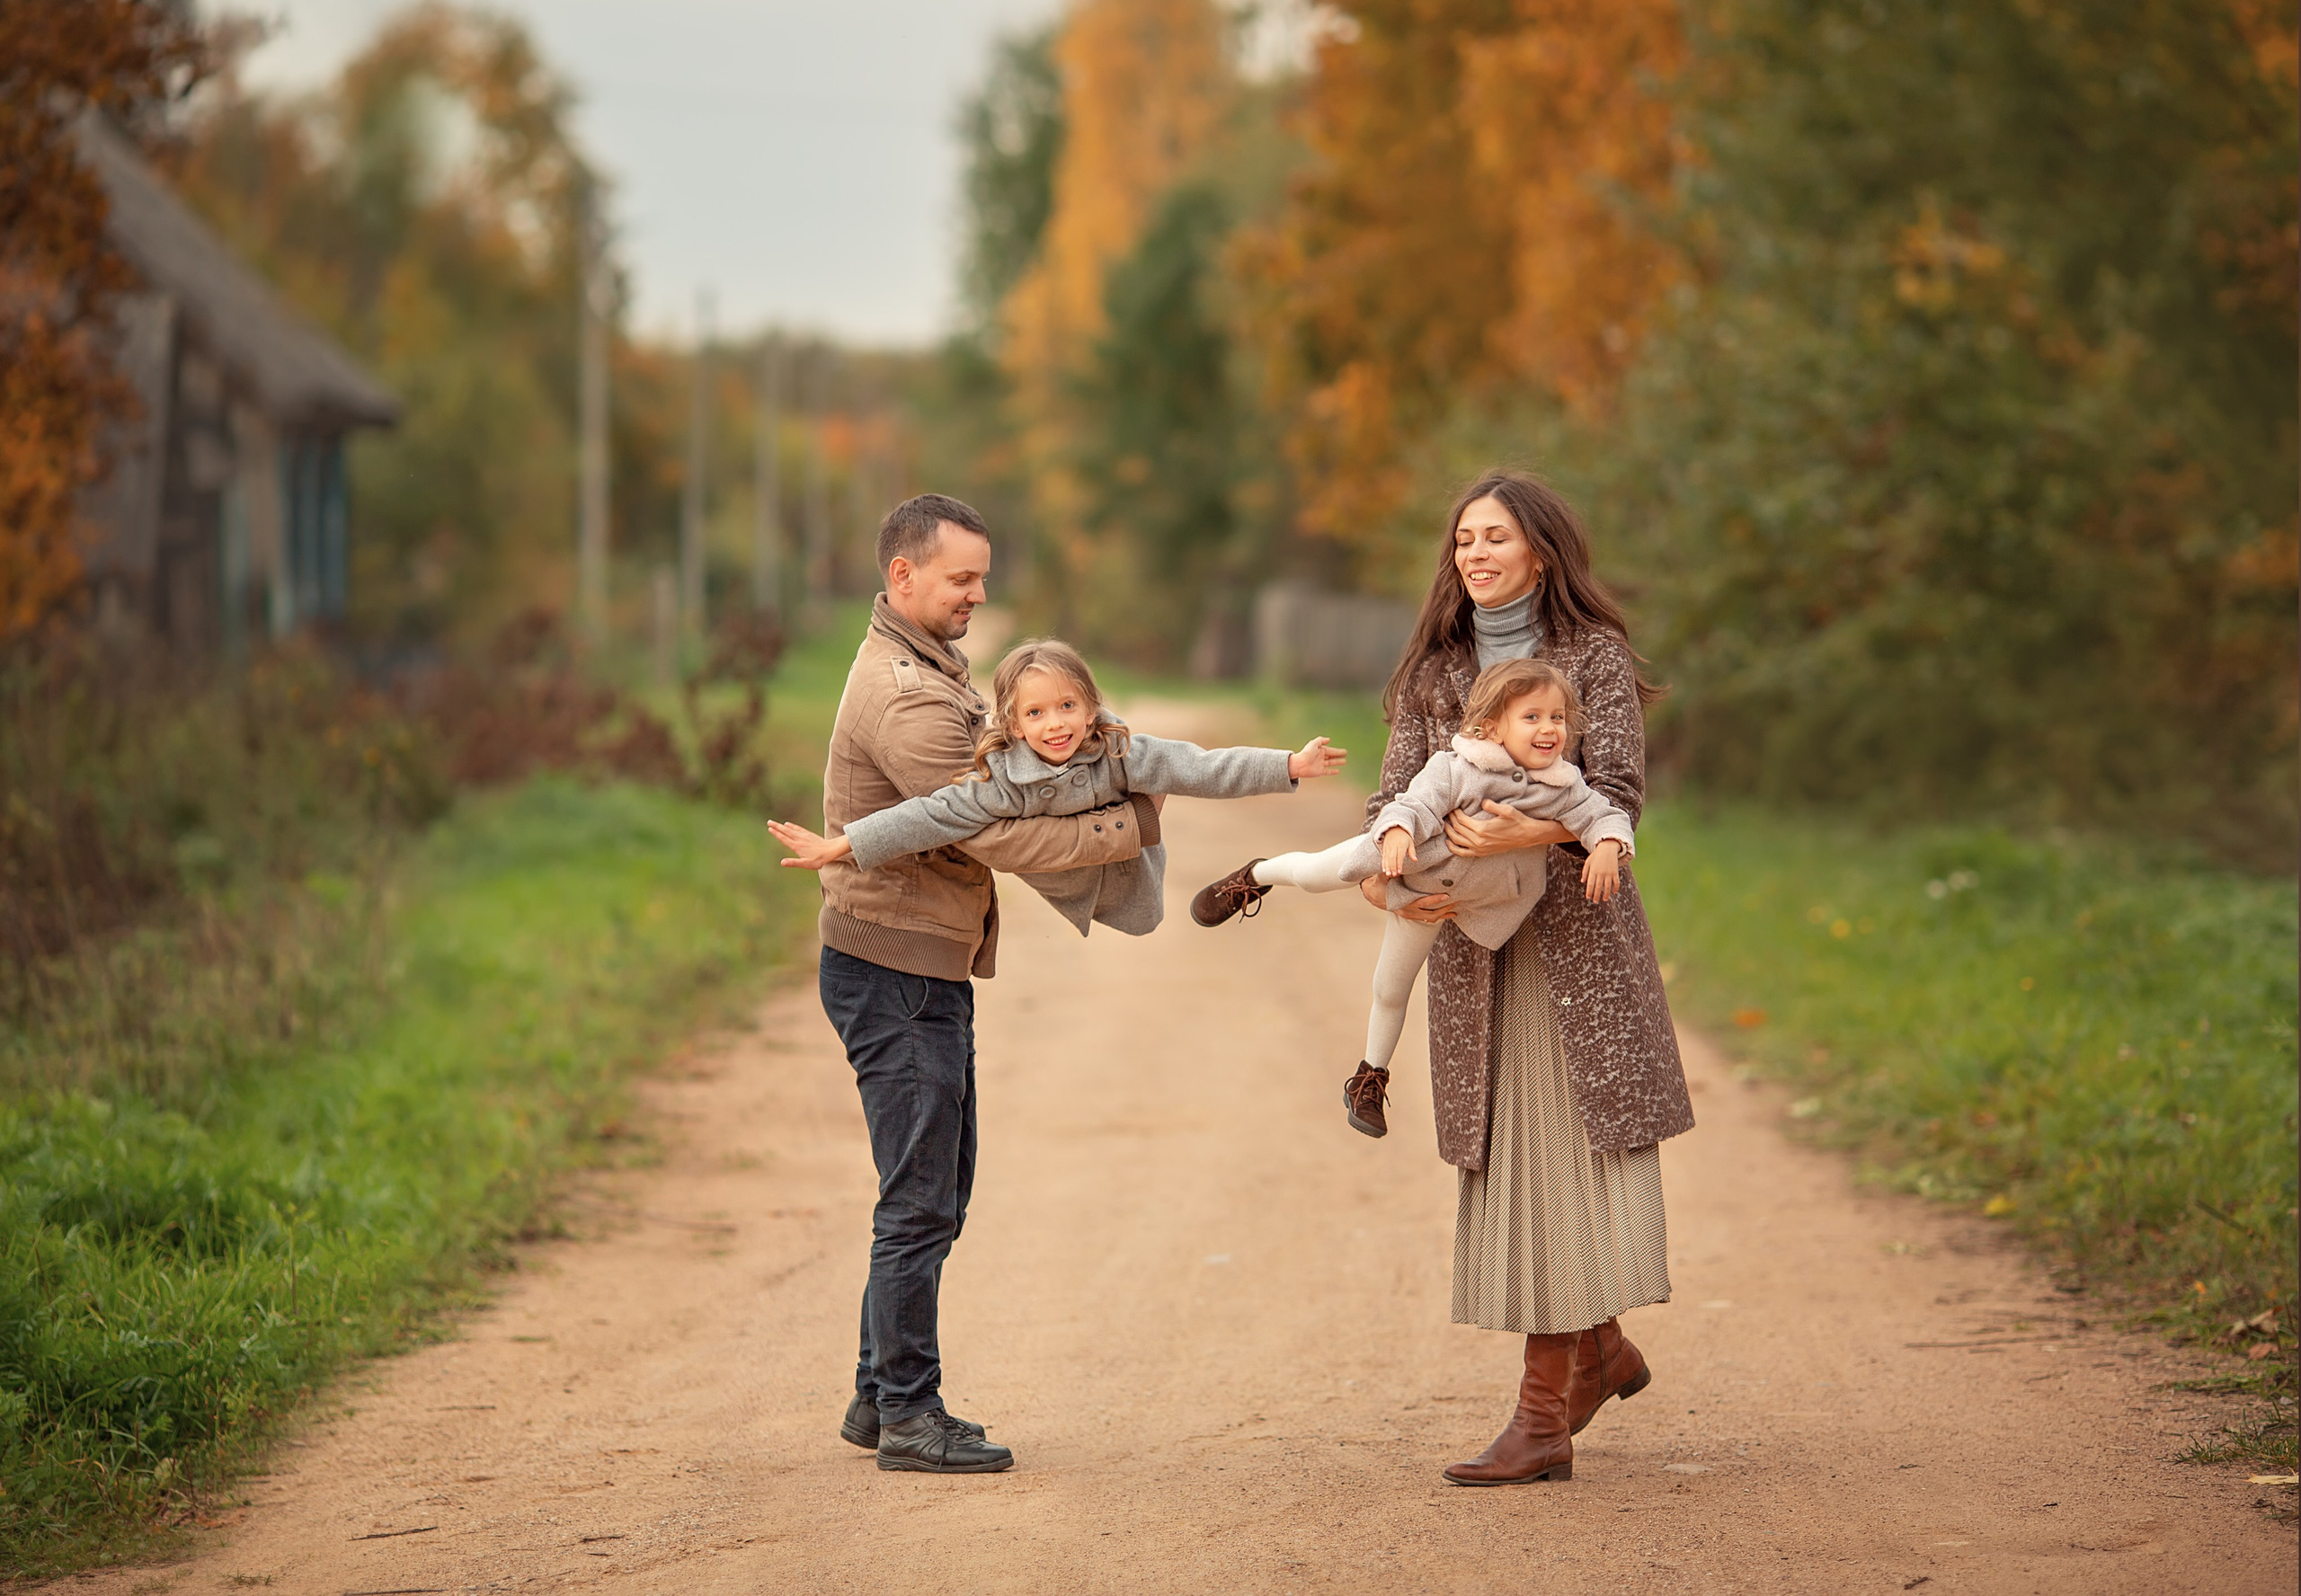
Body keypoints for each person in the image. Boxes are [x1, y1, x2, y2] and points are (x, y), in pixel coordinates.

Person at [1334, 469, 1697, 1485]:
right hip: (1476, 949)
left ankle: (1542, 1419)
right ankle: (1600, 1352)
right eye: (1462, 541)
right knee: (1526, 1158)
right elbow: (1393, 791)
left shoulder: (1595, 657)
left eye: (1494, 537)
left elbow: (1617, 791)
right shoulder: (1434, 670)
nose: (1475, 555)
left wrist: (1540, 826)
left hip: (1577, 945)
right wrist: (1381, 865)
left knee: (1564, 1154)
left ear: (1539, 549)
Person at [805, 494, 1160, 1475]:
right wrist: (1123, 827)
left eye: (981, 576)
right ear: (902, 578)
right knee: (919, 1202)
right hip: (894, 970)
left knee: (934, 1191)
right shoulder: (906, 696)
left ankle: (879, 1396)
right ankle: (911, 1416)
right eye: (961, 577)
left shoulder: (930, 666)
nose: (977, 593)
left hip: (915, 965)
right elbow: (987, 826)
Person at [1189, 657, 1633, 1139]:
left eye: (1558, 718)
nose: (1549, 729)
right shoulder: (1457, 766)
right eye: (1532, 717)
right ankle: (1257, 874)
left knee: (1391, 986)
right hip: (1405, 864)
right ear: (1491, 726)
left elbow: (1605, 815)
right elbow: (1415, 802)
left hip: (1444, 904)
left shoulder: (1564, 786)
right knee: (1317, 874)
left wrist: (1608, 847)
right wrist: (1399, 830)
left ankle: (1369, 1077)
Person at [768, 637, 1347, 932]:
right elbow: (931, 814)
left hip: (1127, 864)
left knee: (1150, 891)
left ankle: (1154, 832)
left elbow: (1201, 766)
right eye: (1038, 714)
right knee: (954, 813)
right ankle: (1134, 823)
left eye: (1068, 706)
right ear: (1015, 725)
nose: (1057, 725)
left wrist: (1288, 766)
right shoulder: (1003, 780)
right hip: (1071, 872)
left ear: (1091, 707)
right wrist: (844, 844)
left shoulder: (1117, 750)